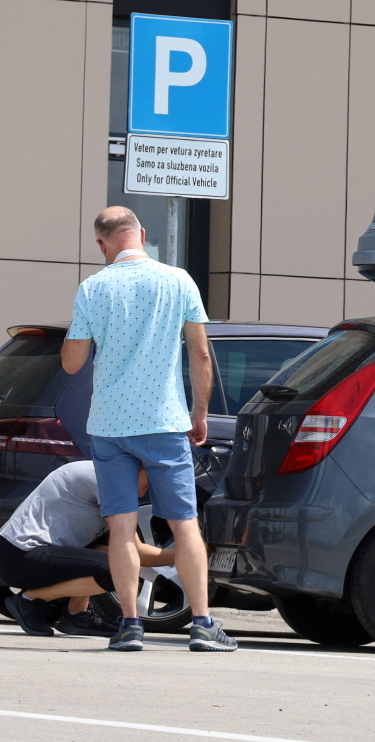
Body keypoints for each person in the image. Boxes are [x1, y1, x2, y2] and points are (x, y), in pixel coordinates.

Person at [61, 206, 234, 652]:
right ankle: (202, 624)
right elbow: (199, 355)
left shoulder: (92, 288)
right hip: (163, 422)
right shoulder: (179, 281)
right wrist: (199, 413)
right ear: (141, 232)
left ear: (103, 246)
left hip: (110, 425)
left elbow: (72, 362)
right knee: (185, 526)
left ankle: (130, 625)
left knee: (120, 528)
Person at [0, 460, 176, 638]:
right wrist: (189, 556)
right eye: (155, 478)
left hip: (25, 553)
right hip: (21, 556)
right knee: (117, 569)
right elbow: (135, 552)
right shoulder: (110, 482)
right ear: (140, 467)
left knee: (107, 556)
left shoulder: (107, 474)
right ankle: (29, 600)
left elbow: (115, 550)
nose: (154, 488)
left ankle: (77, 615)